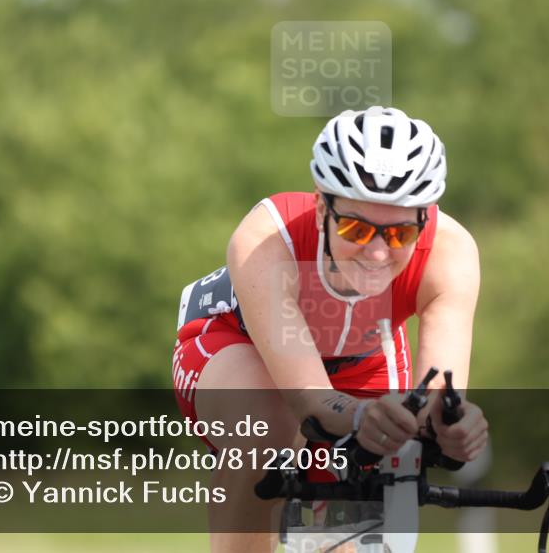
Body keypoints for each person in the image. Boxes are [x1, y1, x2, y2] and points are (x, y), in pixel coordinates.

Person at [171, 106, 487, 552]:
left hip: (363, 355)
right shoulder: (267, 235)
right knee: (267, 429)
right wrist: (359, 416)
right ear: (322, 206)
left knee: (379, 481)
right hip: (240, 345)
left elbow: (438, 395)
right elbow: (308, 400)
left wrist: (450, 426)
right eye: (357, 229)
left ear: (423, 219)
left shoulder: (449, 252)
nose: (378, 254)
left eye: (398, 235)